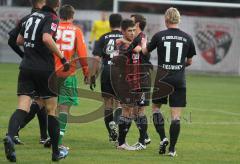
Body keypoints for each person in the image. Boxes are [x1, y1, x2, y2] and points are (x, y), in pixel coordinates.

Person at [3, 0, 69, 162]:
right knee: (52, 110)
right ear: (58, 4)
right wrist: (62, 58)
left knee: (22, 108)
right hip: (45, 69)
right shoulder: (52, 17)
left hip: (26, 67)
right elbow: (47, 38)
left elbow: (18, 40)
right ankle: (55, 153)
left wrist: (32, 47)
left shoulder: (30, 17)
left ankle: (10, 136)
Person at [142, 7, 197, 157]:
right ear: (178, 20)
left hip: (162, 80)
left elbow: (145, 52)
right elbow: (190, 61)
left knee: (155, 109)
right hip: (179, 80)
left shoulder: (159, 35)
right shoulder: (187, 37)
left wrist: (143, 43)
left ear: (166, 20)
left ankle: (163, 138)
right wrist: (178, 67)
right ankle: (172, 150)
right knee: (176, 117)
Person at [8, 0, 48, 145]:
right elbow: (47, 39)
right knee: (40, 102)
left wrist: (22, 55)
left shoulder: (26, 19)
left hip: (27, 65)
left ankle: (43, 136)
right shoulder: (46, 18)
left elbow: (13, 40)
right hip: (42, 68)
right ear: (41, 3)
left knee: (37, 102)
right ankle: (15, 131)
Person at [55, 4, 89, 151]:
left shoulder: (52, 27)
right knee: (63, 109)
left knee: (48, 107)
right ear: (72, 16)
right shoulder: (76, 30)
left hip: (49, 72)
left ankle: (48, 136)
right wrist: (87, 73)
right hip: (68, 73)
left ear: (60, 15)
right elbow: (82, 54)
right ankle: (58, 142)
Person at [90, 13, 123, 143]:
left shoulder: (102, 38)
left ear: (109, 24)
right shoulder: (125, 38)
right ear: (121, 25)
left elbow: (96, 59)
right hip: (120, 71)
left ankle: (111, 134)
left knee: (107, 105)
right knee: (119, 103)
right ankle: (115, 124)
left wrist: (92, 75)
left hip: (106, 71)